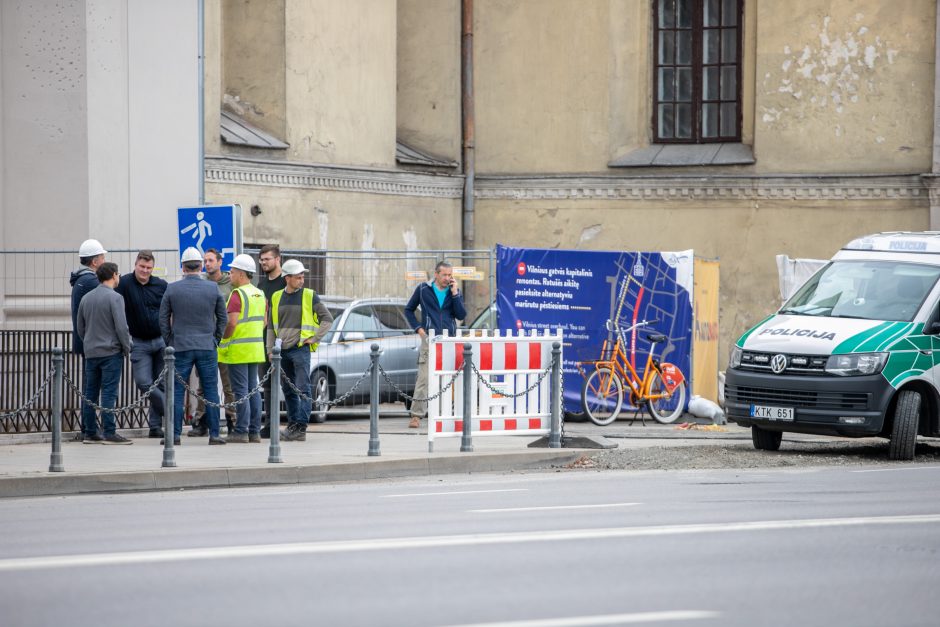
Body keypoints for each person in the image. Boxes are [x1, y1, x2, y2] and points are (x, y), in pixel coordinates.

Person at [159, 247, 228, 445]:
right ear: (200, 266)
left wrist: (170, 340)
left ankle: (174, 435)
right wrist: (215, 338)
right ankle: (215, 434)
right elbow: (222, 318)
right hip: (206, 345)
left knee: (177, 391)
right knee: (211, 390)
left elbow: (163, 318)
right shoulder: (212, 288)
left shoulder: (172, 288)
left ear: (183, 266)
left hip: (180, 346)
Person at [268, 259, 334, 441]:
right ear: (287, 278)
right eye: (298, 277)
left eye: (303, 276)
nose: (302, 279)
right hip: (282, 351)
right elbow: (271, 328)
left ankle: (300, 427)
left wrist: (314, 338)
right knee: (288, 390)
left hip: (300, 349)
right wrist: (270, 350)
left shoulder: (309, 295)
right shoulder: (276, 297)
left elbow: (327, 319)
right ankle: (292, 425)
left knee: (303, 389)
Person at [404, 261, 467, 429]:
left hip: (449, 340)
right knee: (424, 379)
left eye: (450, 275)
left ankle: (444, 413)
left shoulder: (454, 291)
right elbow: (408, 310)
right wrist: (418, 329)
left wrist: (455, 294)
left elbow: (461, 315)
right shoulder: (424, 289)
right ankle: (416, 415)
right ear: (437, 274)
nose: (448, 278)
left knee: (447, 378)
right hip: (429, 340)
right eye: (445, 275)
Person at [76, 262, 133, 444]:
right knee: (109, 392)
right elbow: (121, 327)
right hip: (111, 352)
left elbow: (80, 327)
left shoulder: (86, 298)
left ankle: (90, 432)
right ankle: (109, 431)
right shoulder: (115, 298)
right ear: (114, 275)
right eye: (118, 275)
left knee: (90, 392)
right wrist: (126, 347)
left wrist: (89, 342)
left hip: (91, 352)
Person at [114, 250, 168, 439]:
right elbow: (114, 305)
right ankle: (171, 412)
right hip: (138, 342)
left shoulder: (161, 285)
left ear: (153, 268)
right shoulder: (124, 284)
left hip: (161, 340)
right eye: (142, 266)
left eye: (148, 268)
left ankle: (155, 427)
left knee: (160, 384)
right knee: (144, 382)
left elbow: (170, 309)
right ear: (135, 264)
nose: (145, 271)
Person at [219, 254, 267, 443]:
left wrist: (224, 337)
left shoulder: (237, 294)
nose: (229, 275)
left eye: (231, 272)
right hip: (255, 349)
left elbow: (231, 323)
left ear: (240, 274)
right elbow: (264, 321)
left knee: (241, 392)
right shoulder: (259, 293)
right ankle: (254, 431)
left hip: (239, 350)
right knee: (252, 390)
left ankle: (241, 431)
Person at [189, 248, 237, 436]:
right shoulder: (201, 284)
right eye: (205, 261)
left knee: (228, 385)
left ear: (220, 262)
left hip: (226, 341)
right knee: (203, 386)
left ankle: (232, 421)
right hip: (206, 340)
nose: (207, 264)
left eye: (210, 260)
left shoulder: (230, 285)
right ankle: (201, 422)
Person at [70, 239, 107, 441]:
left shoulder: (81, 280)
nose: (104, 260)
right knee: (92, 387)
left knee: (89, 386)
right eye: (102, 257)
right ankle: (90, 429)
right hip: (93, 343)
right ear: (94, 262)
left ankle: (88, 427)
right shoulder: (92, 282)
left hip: (85, 341)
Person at [256, 244, 286, 438]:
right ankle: (270, 423)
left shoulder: (287, 281)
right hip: (264, 341)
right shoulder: (261, 285)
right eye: (262, 259)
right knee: (266, 385)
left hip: (284, 341)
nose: (263, 263)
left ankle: (295, 423)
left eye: (267, 259)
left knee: (288, 384)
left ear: (277, 259)